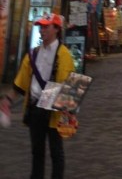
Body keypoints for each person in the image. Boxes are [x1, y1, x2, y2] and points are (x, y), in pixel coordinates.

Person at [0, 12, 75, 179]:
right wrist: (8, 99)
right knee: (37, 151)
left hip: (55, 110)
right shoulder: (33, 53)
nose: (42, 30)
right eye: (41, 27)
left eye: (46, 27)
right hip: (35, 107)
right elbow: (21, 82)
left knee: (56, 152)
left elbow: (69, 86)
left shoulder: (64, 55)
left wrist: (67, 112)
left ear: (56, 29)